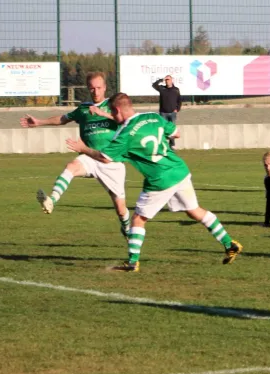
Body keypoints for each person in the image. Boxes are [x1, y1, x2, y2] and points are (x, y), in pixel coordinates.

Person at [66, 93, 242, 272]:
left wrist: (83, 149)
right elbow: (176, 133)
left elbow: (104, 158)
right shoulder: (152, 116)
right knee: (194, 211)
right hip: (179, 170)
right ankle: (229, 244)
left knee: (138, 219)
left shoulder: (125, 133)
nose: (112, 116)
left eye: (112, 112)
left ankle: (132, 262)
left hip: (160, 179)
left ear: (117, 110)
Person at [20, 71, 130, 237]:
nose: (95, 91)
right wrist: (39, 122)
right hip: (90, 156)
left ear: (105, 87)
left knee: (121, 210)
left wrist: (103, 114)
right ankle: (52, 200)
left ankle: (126, 226)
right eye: (92, 88)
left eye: (99, 88)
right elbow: (63, 119)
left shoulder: (113, 106)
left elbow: (126, 121)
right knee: (71, 166)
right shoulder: (83, 109)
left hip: (111, 161)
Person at [152, 75, 182, 149]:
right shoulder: (162, 88)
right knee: (163, 129)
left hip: (172, 113)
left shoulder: (176, 89)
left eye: (168, 79)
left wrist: (177, 109)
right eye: (166, 80)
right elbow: (154, 85)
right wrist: (162, 79)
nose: (167, 81)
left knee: (171, 129)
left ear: (172, 80)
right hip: (163, 113)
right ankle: (163, 144)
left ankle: (172, 144)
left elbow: (179, 101)